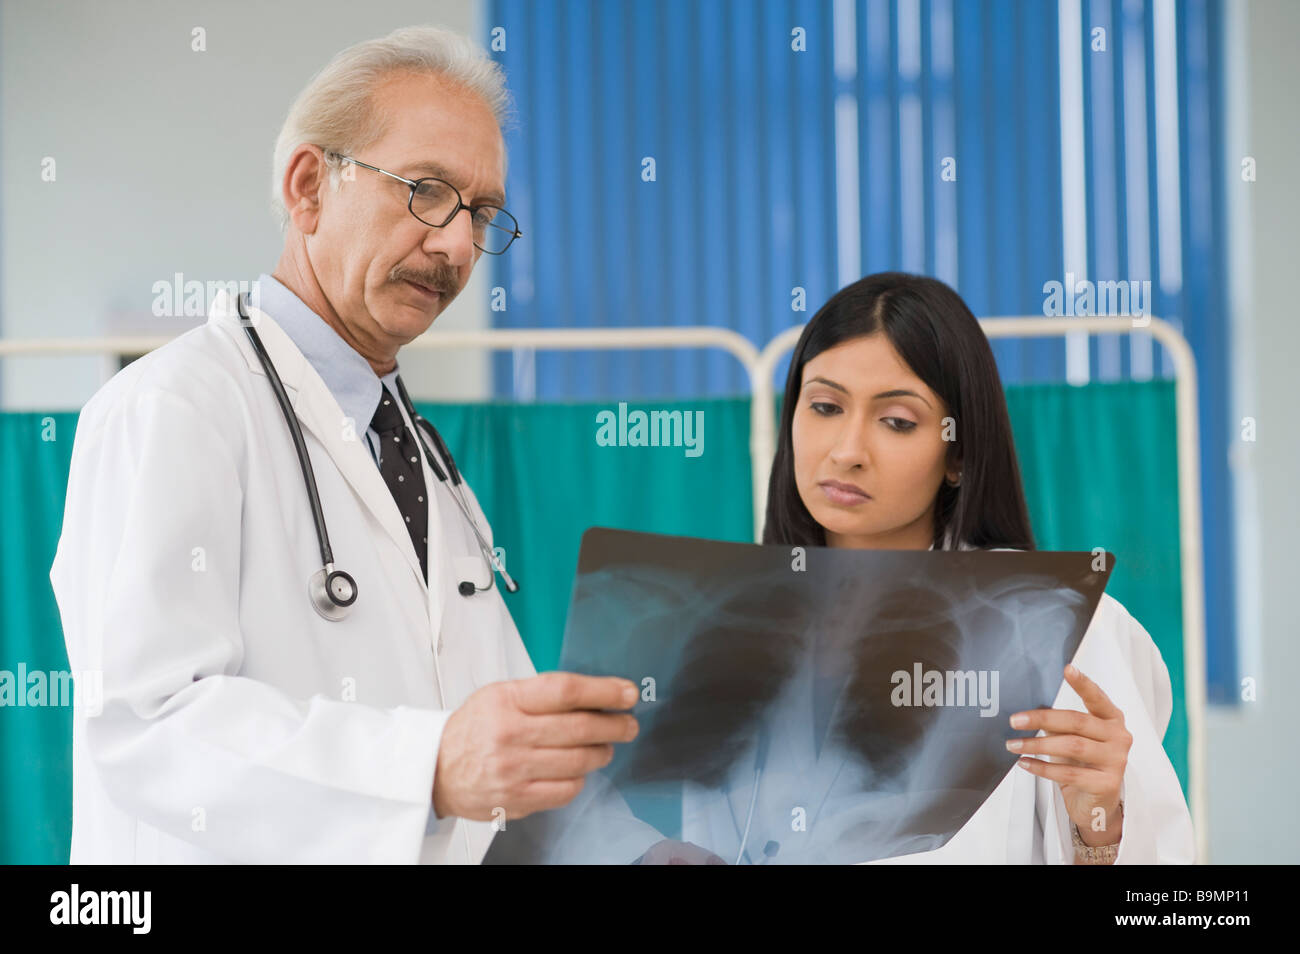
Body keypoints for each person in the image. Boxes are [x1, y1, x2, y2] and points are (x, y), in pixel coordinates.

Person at [49, 25, 667, 864]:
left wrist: (641, 848)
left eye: (480, 214)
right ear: (309, 188)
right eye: (426, 191)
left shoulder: (417, 453)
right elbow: (147, 725)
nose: (454, 245)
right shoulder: (173, 408)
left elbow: (493, 725)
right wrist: (428, 766)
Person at [680, 272, 1194, 863]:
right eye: (824, 406)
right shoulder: (732, 632)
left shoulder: (1054, 623)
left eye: (897, 421)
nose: (846, 451)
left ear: (957, 455)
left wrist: (1100, 827)